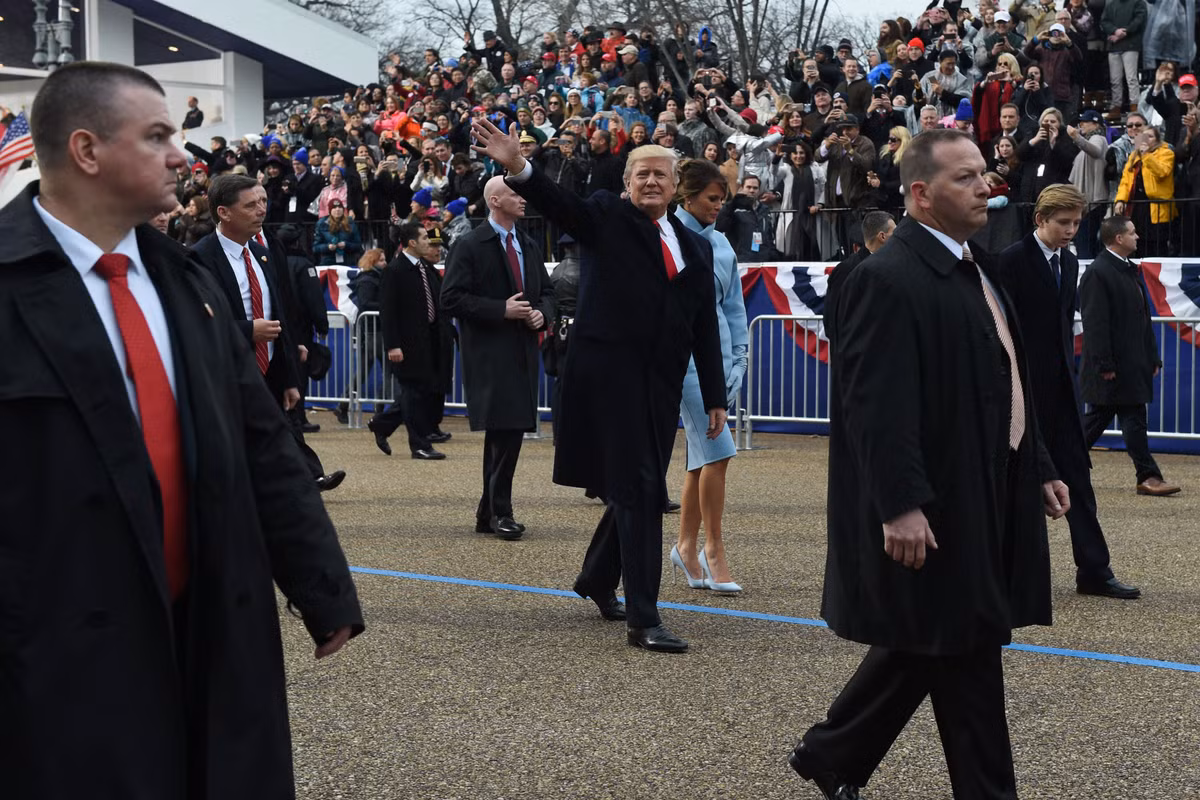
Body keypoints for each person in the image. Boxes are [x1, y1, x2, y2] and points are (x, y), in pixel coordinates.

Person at [0, 60, 363, 798]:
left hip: (212, 627)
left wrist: (321, 586)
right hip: (59, 644)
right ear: (87, 150)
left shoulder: (186, 281)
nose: (182, 156)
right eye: (158, 135)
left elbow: (261, 443)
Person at [788, 130, 1069, 799]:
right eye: (965, 178)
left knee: (943, 640)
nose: (986, 188)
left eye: (984, 174)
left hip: (986, 488)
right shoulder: (889, 279)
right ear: (921, 193)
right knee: (965, 648)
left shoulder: (976, 268)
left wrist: (1040, 466)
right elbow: (874, 406)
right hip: (938, 501)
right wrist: (899, 503)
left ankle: (833, 752)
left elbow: (1007, 377)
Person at [470, 120, 726, 654]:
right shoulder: (607, 215)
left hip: (659, 389)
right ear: (627, 181)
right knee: (638, 491)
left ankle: (595, 578)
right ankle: (645, 618)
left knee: (643, 486)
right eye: (641, 174)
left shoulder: (692, 246)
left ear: (676, 182)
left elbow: (703, 324)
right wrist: (519, 167)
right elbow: (562, 203)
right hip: (609, 382)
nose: (650, 182)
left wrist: (717, 396)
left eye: (660, 174)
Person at [1000, 186, 1142, 599]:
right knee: (1016, 485)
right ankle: (1007, 574)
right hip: (1022, 392)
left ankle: (1094, 571)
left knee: (1078, 481)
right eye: (1063, 223)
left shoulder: (1069, 260)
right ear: (1039, 220)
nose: (1071, 231)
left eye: (1077, 223)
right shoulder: (1011, 261)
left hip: (1062, 392)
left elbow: (1062, 326)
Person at [192, 174, 346, 492]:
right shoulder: (199, 259)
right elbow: (194, 322)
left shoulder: (262, 254)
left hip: (269, 372)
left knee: (274, 443)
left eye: (263, 201)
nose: (262, 209)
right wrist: (247, 330)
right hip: (227, 374)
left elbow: (280, 318)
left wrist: (288, 378)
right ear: (224, 212)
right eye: (251, 204)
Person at [441, 176, 556, 540]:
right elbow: (451, 298)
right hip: (491, 352)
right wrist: (499, 310)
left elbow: (548, 292)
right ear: (494, 200)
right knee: (505, 430)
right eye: (514, 193)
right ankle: (499, 511)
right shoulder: (471, 244)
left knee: (509, 430)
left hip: (522, 349)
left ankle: (487, 511)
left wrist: (543, 314)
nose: (523, 199)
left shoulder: (528, 244)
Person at [670, 159, 749, 596]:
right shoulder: (666, 236)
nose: (719, 206)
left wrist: (740, 355)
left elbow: (734, 306)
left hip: (719, 360)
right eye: (712, 198)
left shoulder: (721, 244)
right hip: (684, 364)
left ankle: (685, 545)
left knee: (702, 457)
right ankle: (712, 549)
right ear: (688, 195)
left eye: (722, 200)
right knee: (719, 452)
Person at [1080, 217, 1181, 496]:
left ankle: (1147, 476)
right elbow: (1095, 323)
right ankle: (1147, 476)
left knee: (1124, 419)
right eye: (1132, 233)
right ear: (1118, 239)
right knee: (1102, 421)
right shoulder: (1099, 273)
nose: (1138, 237)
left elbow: (1143, 319)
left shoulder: (1128, 271)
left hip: (1131, 364)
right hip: (1113, 367)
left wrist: (1153, 357)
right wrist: (1105, 364)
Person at [372, 221, 455, 460]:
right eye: (424, 238)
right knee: (413, 394)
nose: (429, 243)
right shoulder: (395, 270)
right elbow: (388, 311)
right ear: (411, 242)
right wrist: (393, 345)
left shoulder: (423, 268)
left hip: (428, 342)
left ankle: (382, 424)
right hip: (406, 345)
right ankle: (419, 444)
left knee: (419, 392)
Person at [822, 209, 895, 347]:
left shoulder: (892, 266)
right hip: (855, 356)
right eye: (894, 234)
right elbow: (833, 318)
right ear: (882, 236)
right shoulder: (847, 269)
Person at [1113, 124, 1176, 257]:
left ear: (1158, 139)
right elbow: (1125, 182)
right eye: (1144, 136)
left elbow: (1162, 172)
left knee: (1157, 245)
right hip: (1137, 207)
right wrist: (1120, 200)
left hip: (1156, 207)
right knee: (1137, 243)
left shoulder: (1166, 152)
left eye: (1150, 136)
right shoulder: (1134, 156)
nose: (1147, 140)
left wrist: (1146, 155)